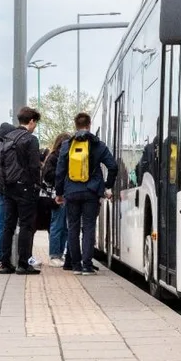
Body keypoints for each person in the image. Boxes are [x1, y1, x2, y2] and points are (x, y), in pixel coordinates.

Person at [55, 112, 118, 276]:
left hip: (71, 192)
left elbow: (60, 170)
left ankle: (75, 265)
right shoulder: (98, 145)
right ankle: (87, 266)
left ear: (75, 125)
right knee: (89, 227)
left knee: (73, 228)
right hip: (91, 192)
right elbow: (113, 167)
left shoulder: (67, 144)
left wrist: (59, 192)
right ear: (89, 125)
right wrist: (107, 186)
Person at [0, 107, 43, 275]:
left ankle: (6, 264)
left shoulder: (6, 138)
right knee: (27, 226)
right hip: (25, 188)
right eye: (35, 123)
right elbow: (34, 166)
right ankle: (23, 263)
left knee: (8, 225)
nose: (35, 126)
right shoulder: (30, 139)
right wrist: (37, 185)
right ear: (32, 121)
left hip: (7, 187)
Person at [43, 132, 72, 267]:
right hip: (57, 195)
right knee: (57, 226)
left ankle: (60, 253)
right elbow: (47, 176)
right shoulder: (54, 157)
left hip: (65, 194)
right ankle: (55, 254)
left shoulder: (58, 157)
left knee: (64, 227)